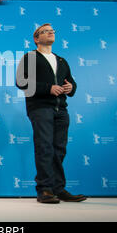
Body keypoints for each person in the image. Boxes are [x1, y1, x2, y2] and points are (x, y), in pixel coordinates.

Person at [16, 23, 86, 203]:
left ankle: (58, 188)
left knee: (59, 149)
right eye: (45, 31)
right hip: (40, 107)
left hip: (61, 109)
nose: (51, 33)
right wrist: (48, 88)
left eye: (52, 31)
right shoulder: (30, 57)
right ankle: (44, 189)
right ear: (36, 38)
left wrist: (71, 88)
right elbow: (21, 82)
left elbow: (71, 82)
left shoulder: (61, 60)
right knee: (45, 148)